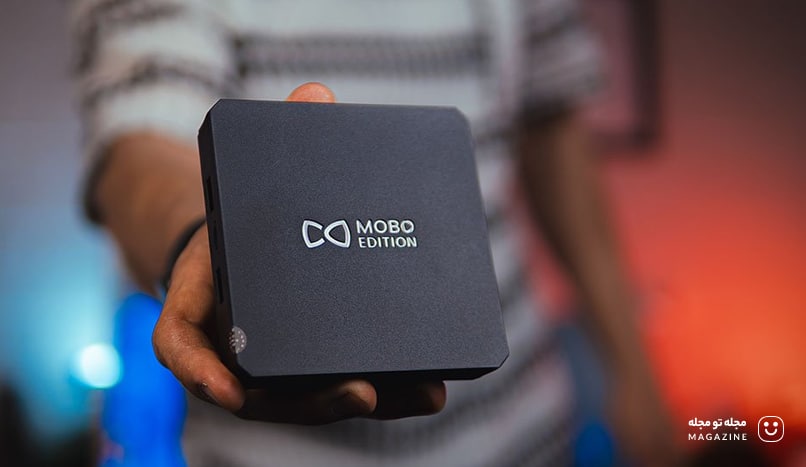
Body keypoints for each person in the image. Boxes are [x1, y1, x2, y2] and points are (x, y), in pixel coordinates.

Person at [72, 0, 675, 465]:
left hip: (525, 424)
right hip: (275, 452)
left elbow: (553, 124)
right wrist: (199, 238)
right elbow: (139, 143)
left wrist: (633, 363)